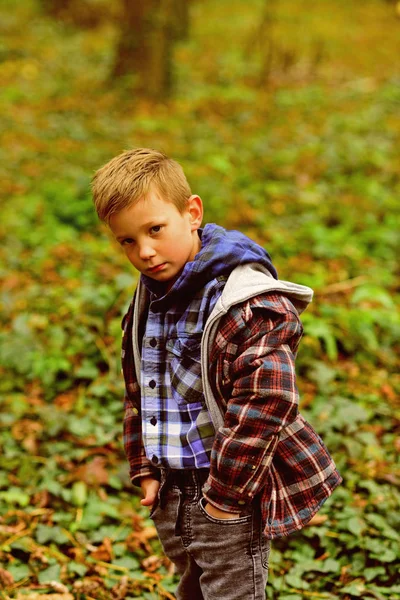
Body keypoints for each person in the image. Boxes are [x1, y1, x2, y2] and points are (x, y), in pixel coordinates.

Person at [92, 148, 342, 600]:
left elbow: (269, 401)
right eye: (127, 241)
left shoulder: (245, 302)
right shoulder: (149, 298)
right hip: (172, 491)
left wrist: (224, 498)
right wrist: (145, 468)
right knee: (194, 590)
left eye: (155, 230)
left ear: (192, 212)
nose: (144, 252)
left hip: (227, 488)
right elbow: (143, 388)